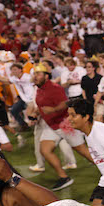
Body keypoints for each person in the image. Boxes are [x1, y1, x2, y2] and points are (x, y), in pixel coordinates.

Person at [32, 63, 93, 191]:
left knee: (84, 152)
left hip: (65, 124)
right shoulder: (39, 90)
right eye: (34, 74)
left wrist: (53, 109)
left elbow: (65, 104)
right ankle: (64, 177)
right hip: (51, 126)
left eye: (38, 74)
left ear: (46, 76)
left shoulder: (55, 88)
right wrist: (37, 112)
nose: (35, 76)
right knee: (45, 150)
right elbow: (43, 106)